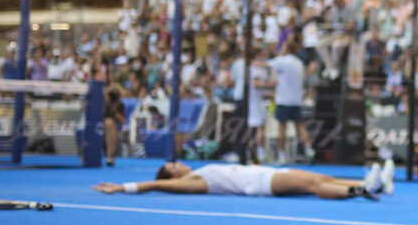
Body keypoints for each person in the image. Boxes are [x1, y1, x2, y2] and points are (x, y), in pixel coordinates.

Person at [95, 159, 395, 200]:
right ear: (173, 174)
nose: (179, 164)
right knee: (316, 187)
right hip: (260, 185)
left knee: (324, 176)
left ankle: (371, 185)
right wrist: (122, 187)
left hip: (265, 171)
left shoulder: (199, 171)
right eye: (173, 165)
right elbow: (157, 185)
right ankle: (364, 189)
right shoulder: (195, 182)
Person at [269, 37, 314, 162]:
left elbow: (266, 63)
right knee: (300, 126)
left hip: (283, 100)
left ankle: (282, 156)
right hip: (296, 100)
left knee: (281, 128)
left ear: (287, 49)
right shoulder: (299, 63)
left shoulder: (283, 61)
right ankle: (309, 149)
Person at [104, 85, 126, 167]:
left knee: (109, 122)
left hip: (112, 127)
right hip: (99, 126)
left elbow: (122, 121)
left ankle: (110, 156)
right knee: (107, 122)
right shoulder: (103, 103)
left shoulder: (120, 105)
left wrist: (114, 110)